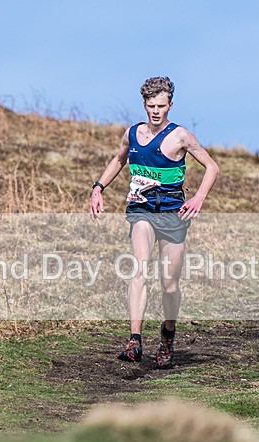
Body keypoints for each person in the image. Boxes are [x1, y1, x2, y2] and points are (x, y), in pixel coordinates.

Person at [89, 76, 220, 368]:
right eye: (151, 106)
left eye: (161, 106)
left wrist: (198, 198)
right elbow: (118, 160)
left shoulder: (180, 136)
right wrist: (98, 188)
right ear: (144, 105)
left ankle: (168, 334)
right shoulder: (133, 134)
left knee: (170, 284)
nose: (156, 111)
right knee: (139, 269)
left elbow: (212, 167)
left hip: (173, 214)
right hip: (142, 210)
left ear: (170, 105)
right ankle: (135, 341)